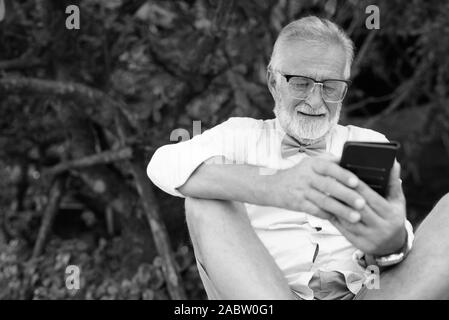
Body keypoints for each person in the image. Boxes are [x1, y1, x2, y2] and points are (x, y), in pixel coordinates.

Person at [147, 16, 449, 300]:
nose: (316, 101)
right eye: (300, 83)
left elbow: (396, 256)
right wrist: (274, 185)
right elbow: (162, 164)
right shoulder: (239, 136)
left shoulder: (369, 144)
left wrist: (391, 245)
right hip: (269, 294)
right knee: (203, 198)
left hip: (369, 292)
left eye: (330, 87)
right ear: (273, 82)